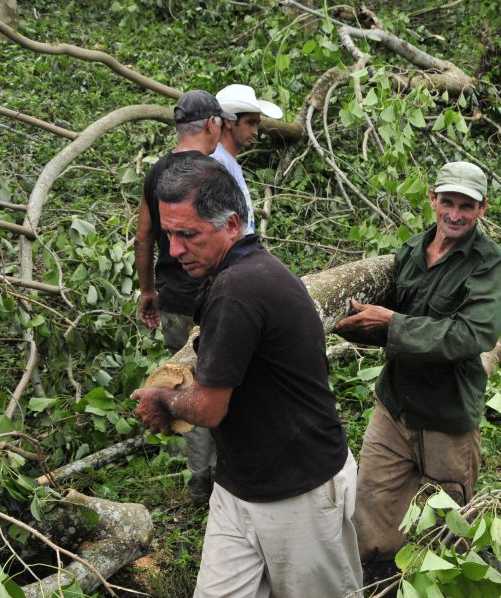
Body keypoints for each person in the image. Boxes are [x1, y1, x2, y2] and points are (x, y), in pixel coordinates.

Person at [132, 155, 362, 597]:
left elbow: (207, 407)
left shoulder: (239, 289)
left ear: (232, 225)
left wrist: (163, 401)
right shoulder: (238, 274)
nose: (175, 251)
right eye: (168, 235)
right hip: (241, 485)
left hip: (300, 492)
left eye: (189, 235)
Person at [335, 161, 501, 571]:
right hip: (394, 405)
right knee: (372, 507)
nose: (454, 214)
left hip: (446, 416)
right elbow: (393, 322)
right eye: (447, 202)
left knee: (445, 523)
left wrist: (390, 322)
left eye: (465, 206)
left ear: (482, 208)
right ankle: (379, 583)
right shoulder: (412, 251)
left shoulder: (490, 266)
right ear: (432, 199)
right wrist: (349, 325)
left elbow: (471, 336)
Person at [135, 89, 235, 501]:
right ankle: (223, 474)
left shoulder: (158, 173)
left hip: (174, 297)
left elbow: (143, 237)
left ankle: (200, 478)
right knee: (224, 380)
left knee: (184, 383)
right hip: (214, 297)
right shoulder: (213, 174)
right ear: (212, 124)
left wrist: (147, 289)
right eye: (222, 124)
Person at [211, 84, 284, 233]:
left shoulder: (228, 161)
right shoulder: (217, 162)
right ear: (229, 121)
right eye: (250, 123)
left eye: (257, 124)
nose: (255, 132)